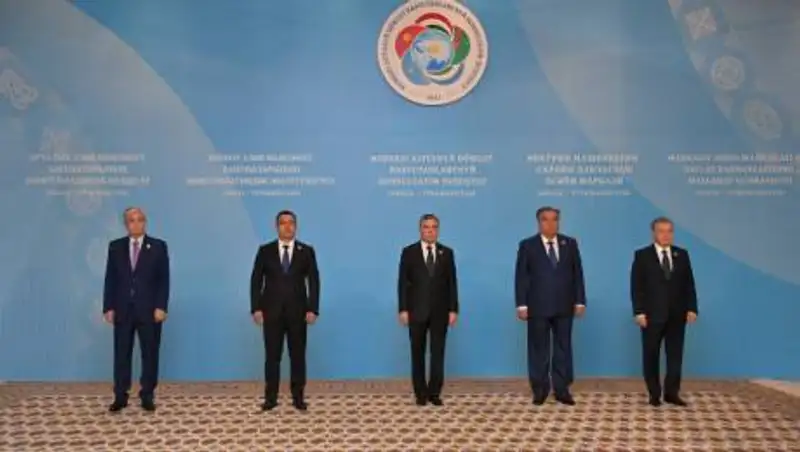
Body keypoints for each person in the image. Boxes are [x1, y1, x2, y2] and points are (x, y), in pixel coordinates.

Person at [514, 206, 586, 406]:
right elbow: (521, 276)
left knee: (563, 348)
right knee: (539, 349)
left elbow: (577, 274)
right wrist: (521, 304)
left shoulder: (569, 244)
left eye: (555, 219)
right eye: (545, 219)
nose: (551, 223)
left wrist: (580, 300)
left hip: (564, 305)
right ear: (539, 222)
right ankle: (540, 389)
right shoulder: (528, 245)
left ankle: (562, 389)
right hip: (537, 306)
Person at [250, 210, 320, 411]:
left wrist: (313, 309)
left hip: (298, 313)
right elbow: (256, 281)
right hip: (271, 312)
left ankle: (298, 397)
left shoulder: (306, 251)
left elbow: (314, 281)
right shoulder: (265, 251)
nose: (288, 226)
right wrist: (256, 308)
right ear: (277, 227)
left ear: (296, 226)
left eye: (291, 223)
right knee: (272, 357)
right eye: (283, 223)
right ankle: (270, 398)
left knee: (297, 356)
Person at [103, 207, 170, 412]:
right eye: (132, 220)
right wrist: (108, 306)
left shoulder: (158, 246)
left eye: (140, 219)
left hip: (149, 310)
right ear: (126, 224)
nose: (136, 223)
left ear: (145, 222)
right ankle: (120, 395)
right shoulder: (115, 247)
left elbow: (164, 280)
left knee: (150, 353)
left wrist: (161, 306)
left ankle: (147, 394)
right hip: (123, 309)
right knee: (121, 354)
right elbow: (110, 279)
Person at [630, 216, 698, 407]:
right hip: (652, 316)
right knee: (651, 355)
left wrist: (692, 308)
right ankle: (654, 394)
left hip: (677, 315)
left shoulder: (682, 254)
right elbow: (637, 286)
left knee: (675, 356)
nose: (666, 235)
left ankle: (672, 393)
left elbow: (689, 284)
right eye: (661, 231)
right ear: (654, 233)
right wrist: (639, 312)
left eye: (669, 231)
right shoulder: (642, 255)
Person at [398, 213, 459, 406]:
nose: (430, 231)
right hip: (416, 311)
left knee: (438, 353)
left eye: (434, 227)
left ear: (438, 230)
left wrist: (453, 309)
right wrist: (403, 309)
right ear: (420, 229)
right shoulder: (409, 252)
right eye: (426, 227)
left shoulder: (446, 253)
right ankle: (420, 393)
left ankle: (434, 393)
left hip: (440, 312)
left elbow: (452, 283)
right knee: (417, 353)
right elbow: (402, 283)